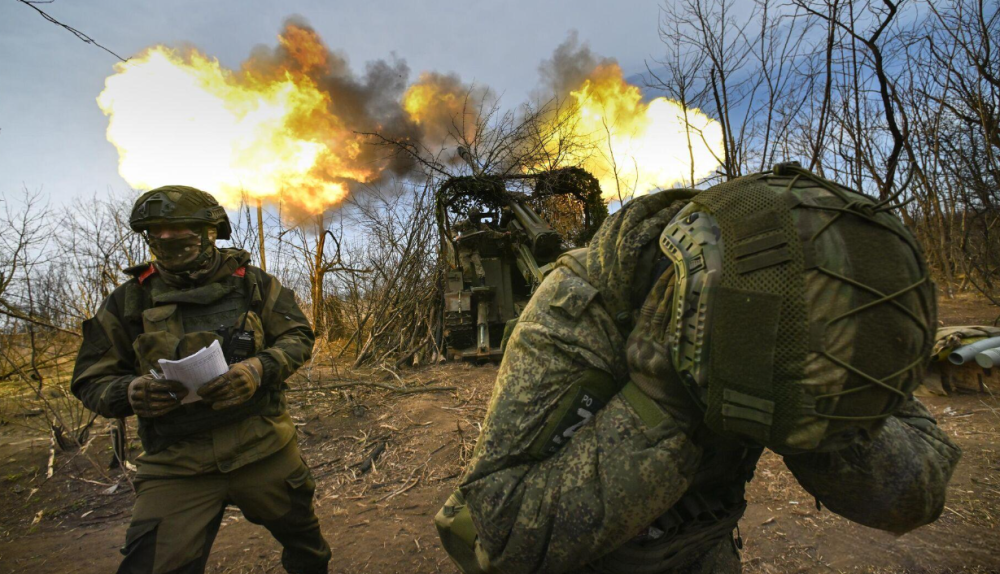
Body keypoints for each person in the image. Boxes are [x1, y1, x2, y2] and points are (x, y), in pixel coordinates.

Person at [435, 164, 962, 574]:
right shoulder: (579, 309)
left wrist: (813, 416)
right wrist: (659, 405)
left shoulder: (811, 296)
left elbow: (915, 492)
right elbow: (493, 534)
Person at [71, 185, 331, 574]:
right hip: (176, 464)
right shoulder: (129, 301)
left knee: (307, 548)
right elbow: (90, 378)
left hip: (262, 447)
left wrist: (257, 370)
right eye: (156, 232)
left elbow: (297, 336)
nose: (167, 239)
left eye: (181, 232)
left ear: (211, 233)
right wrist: (130, 392)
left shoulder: (253, 284)